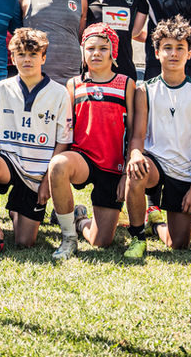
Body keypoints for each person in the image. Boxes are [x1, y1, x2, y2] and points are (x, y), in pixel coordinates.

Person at [0, 28, 72, 256]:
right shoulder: (0, 89)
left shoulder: (59, 93)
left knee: (24, 241)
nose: (27, 60)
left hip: (36, 174)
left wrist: (47, 180)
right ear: (13, 57)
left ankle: (19, 209)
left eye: (33, 54)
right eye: (21, 54)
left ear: (43, 58)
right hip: (8, 163)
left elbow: (63, 141)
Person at [122, 17, 191, 258]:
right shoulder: (146, 90)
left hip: (183, 170)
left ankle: (155, 222)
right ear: (157, 52)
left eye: (180, 47)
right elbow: (138, 137)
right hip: (155, 164)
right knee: (136, 171)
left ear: (189, 54)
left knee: (178, 244)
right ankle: (138, 237)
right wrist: (136, 154)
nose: (174, 53)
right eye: (167, 48)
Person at [47, 24, 135, 260]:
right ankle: (68, 238)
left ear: (113, 53)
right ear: (82, 52)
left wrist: (126, 174)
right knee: (58, 165)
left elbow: (135, 131)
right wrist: (51, 174)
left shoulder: (126, 84)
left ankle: (79, 220)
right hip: (82, 159)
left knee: (100, 241)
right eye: (91, 48)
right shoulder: (73, 85)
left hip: (113, 165)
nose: (96, 53)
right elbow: (65, 131)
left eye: (103, 48)